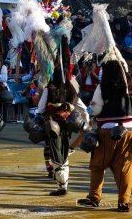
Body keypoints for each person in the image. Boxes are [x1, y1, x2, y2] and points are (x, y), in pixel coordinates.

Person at [78, 52, 132, 212]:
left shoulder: (103, 87)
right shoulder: (129, 84)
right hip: (128, 131)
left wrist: (90, 109)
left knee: (98, 165)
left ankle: (94, 197)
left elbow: (94, 109)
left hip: (107, 131)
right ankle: (123, 202)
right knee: (125, 167)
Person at [37, 34, 89, 196]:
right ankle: (63, 182)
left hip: (54, 125)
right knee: (64, 152)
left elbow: (40, 109)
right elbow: (82, 108)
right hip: (68, 124)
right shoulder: (72, 89)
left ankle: (62, 185)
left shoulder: (50, 87)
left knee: (57, 153)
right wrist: (85, 123)